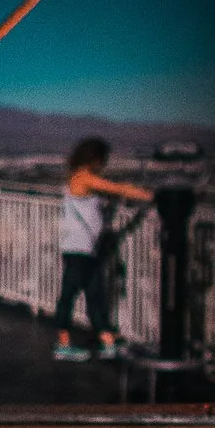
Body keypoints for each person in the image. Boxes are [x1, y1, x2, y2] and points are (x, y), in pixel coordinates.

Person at [53, 136, 151, 360]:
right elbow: (116, 188)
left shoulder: (80, 177)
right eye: (102, 159)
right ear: (95, 158)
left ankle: (107, 342)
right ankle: (62, 345)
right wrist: (151, 196)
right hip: (78, 248)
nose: (103, 164)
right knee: (69, 294)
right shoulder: (83, 177)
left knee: (95, 294)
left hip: (88, 249)